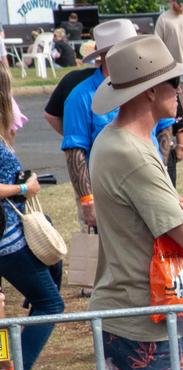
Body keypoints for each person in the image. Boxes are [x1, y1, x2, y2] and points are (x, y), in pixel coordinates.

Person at [88, 36, 183, 370]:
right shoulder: (133, 153)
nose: (180, 89)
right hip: (144, 322)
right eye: (174, 82)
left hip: (133, 314)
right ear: (149, 91)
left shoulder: (117, 141)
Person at [0, 63, 62, 370]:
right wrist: (22, 188)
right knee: (50, 301)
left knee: (1, 312)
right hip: (7, 243)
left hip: (6, 239)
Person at [62, 19, 137, 232]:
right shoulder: (81, 96)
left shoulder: (144, 84)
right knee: (103, 260)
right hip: (105, 195)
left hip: (145, 187)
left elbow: (163, 129)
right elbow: (75, 151)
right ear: (107, 56)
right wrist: (87, 200)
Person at [156, 0, 183, 115]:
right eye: (179, 1)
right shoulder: (163, 19)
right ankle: (173, 114)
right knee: (170, 89)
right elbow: (157, 41)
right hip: (169, 62)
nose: (181, 4)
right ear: (171, 1)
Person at [42, 62, 96, 134]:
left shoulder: (72, 78)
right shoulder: (75, 80)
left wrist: (70, 135)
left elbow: (50, 115)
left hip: (75, 141)